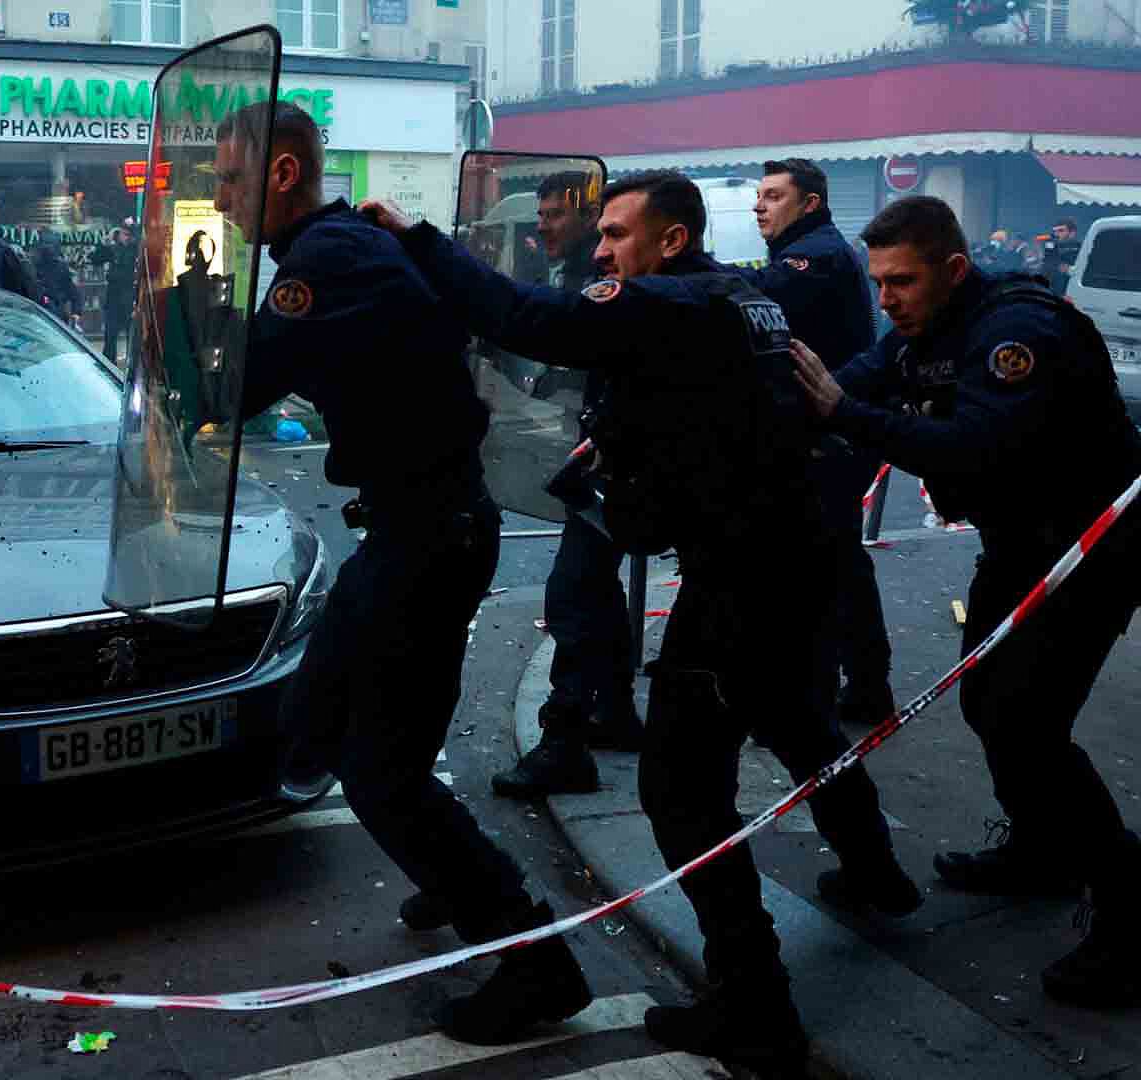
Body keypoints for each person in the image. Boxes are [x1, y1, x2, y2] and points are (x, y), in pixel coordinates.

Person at [363, 170, 919, 1072]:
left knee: (681, 793)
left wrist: (418, 239)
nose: (602, 250)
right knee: (794, 720)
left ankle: (757, 1007)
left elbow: (524, 317)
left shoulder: (660, 301)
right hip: (789, 560)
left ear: (668, 239)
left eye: (618, 234)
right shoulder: (734, 300)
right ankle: (876, 869)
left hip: (740, 578)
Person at [214, 100, 594, 1046]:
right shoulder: (340, 249)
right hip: (421, 529)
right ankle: (448, 868)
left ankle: (535, 961)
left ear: (284, 174)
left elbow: (242, 381)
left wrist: (179, 318)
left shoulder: (327, 260)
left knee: (378, 777)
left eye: (228, 179)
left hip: (426, 538)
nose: (219, 200)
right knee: (323, 726)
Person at [792, 195, 1141, 1009]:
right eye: (878, 284)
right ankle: (1043, 851)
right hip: (1019, 543)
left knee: (1026, 723)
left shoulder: (1019, 333)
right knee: (988, 703)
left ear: (951, 270)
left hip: (1087, 552)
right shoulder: (926, 329)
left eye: (902, 282)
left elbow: (969, 443)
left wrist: (845, 414)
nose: (888, 300)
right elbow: (852, 384)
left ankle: (1129, 908)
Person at [490, 169, 643, 801]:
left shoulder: (612, 284)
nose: (544, 226)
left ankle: (565, 744)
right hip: (616, 458)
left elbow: (568, 335)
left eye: (557, 215)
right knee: (595, 590)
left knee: (575, 594)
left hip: (624, 464)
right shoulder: (598, 275)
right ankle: (612, 711)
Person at [730, 158, 893, 729]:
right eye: (759, 195)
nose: (759, 205)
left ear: (810, 203)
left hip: (828, 435)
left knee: (832, 559)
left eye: (774, 196)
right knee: (828, 557)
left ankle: (845, 687)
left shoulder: (816, 255)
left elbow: (751, 298)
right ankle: (855, 682)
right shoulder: (807, 249)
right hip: (816, 430)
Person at [93, 224, 139, 363]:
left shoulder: (135, 249)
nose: (122, 237)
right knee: (110, 334)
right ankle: (109, 363)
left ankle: (133, 364)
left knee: (131, 335)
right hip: (114, 297)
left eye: (126, 234)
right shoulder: (113, 249)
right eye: (121, 234)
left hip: (129, 296)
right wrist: (104, 243)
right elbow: (96, 259)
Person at [31, 237, 81, 325]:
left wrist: (76, 311)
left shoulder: (36, 266)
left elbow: (72, 290)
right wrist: (76, 311)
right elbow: (72, 291)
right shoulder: (35, 267)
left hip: (51, 308)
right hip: (46, 308)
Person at [1042, 216, 1082, 293]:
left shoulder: (1081, 248)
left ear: (1072, 233)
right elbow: (1047, 267)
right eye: (1055, 231)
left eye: (1061, 231)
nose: (1056, 234)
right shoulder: (1051, 247)